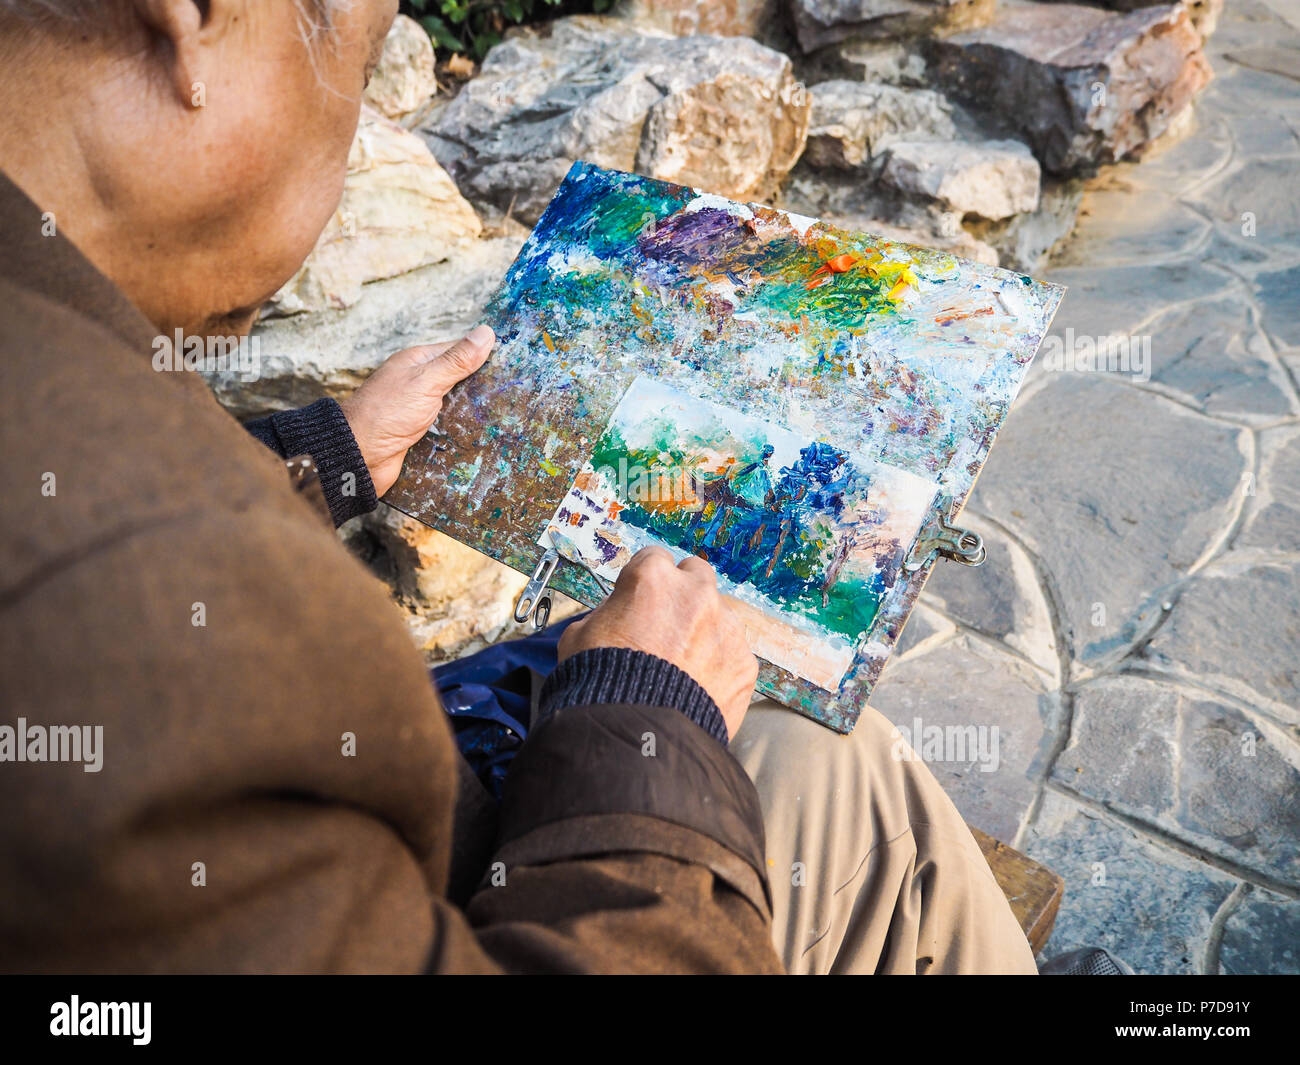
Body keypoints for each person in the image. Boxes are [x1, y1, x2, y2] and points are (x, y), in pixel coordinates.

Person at [0, 0, 1036, 974]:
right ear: (195, 21)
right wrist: (647, 716)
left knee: (795, 748)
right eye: (359, 64)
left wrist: (324, 457)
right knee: (842, 782)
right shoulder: (102, 593)